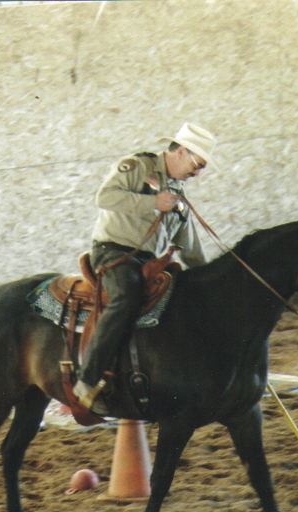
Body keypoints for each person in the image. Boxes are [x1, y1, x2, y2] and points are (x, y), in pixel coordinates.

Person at [72, 121, 216, 413]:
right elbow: (104, 197)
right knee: (126, 296)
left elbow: (191, 249)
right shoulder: (137, 167)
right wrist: (152, 202)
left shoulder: (179, 197)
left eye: (202, 168)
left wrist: (211, 279)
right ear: (180, 152)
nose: (197, 173)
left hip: (147, 261)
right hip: (112, 252)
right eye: (197, 164)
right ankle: (87, 379)